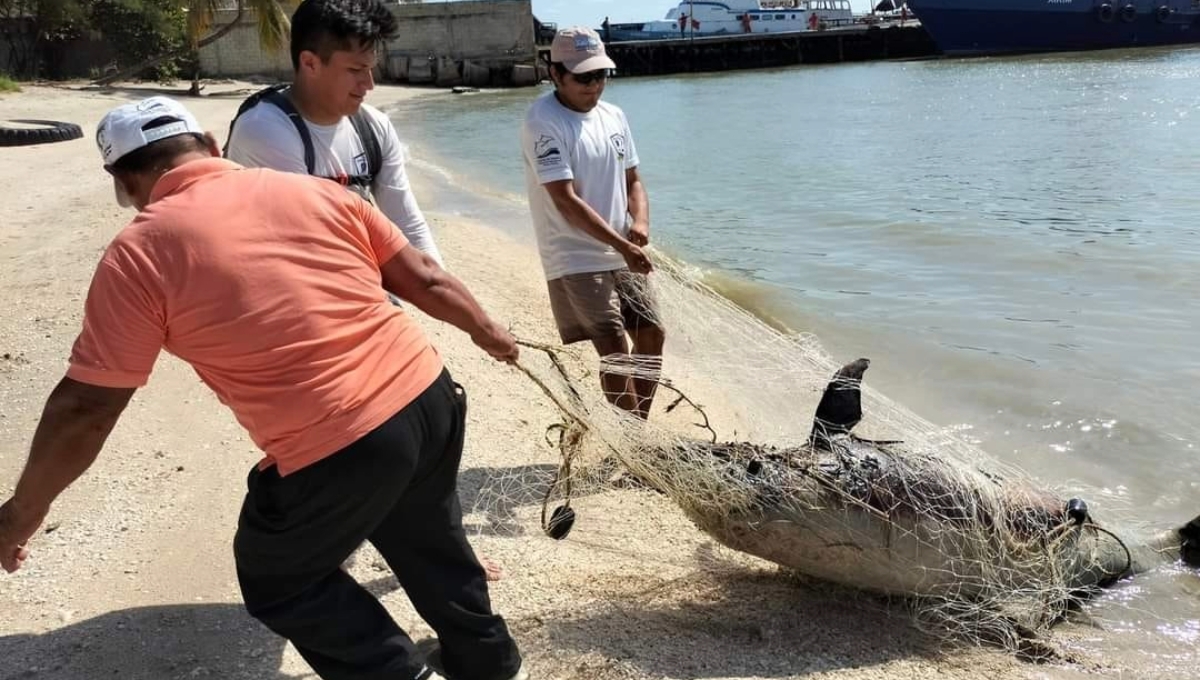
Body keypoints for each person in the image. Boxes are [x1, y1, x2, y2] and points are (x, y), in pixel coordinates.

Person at [0, 97, 526, 680]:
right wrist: (488, 332)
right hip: (429, 394)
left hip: (342, 440)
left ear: (122, 181)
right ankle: (490, 663)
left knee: (279, 575)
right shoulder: (314, 191)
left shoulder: (138, 254)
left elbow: (87, 406)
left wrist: (23, 513)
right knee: (427, 533)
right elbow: (424, 276)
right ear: (213, 147)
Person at [225, 0, 443, 267]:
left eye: (371, 68)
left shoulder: (374, 127)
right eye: (355, 70)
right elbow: (312, 249)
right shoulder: (264, 130)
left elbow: (408, 223)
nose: (369, 84)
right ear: (310, 63)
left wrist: (437, 281)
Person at [520, 27, 665, 420]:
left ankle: (638, 432)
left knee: (652, 334)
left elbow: (633, 179)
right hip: (575, 256)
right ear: (555, 74)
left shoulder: (614, 116)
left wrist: (642, 223)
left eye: (601, 74)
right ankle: (634, 444)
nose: (595, 84)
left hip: (623, 250)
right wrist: (624, 246)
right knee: (614, 347)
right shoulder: (542, 122)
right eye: (584, 76)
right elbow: (565, 201)